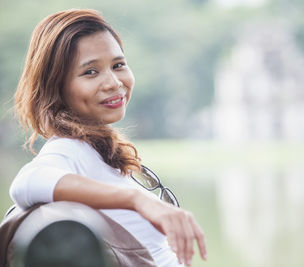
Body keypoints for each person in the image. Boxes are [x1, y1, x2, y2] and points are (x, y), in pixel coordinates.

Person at [9, 9, 207, 267]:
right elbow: (26, 182)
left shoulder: (96, 152)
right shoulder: (69, 149)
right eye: (90, 72)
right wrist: (136, 201)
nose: (114, 83)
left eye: (118, 65)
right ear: (57, 86)